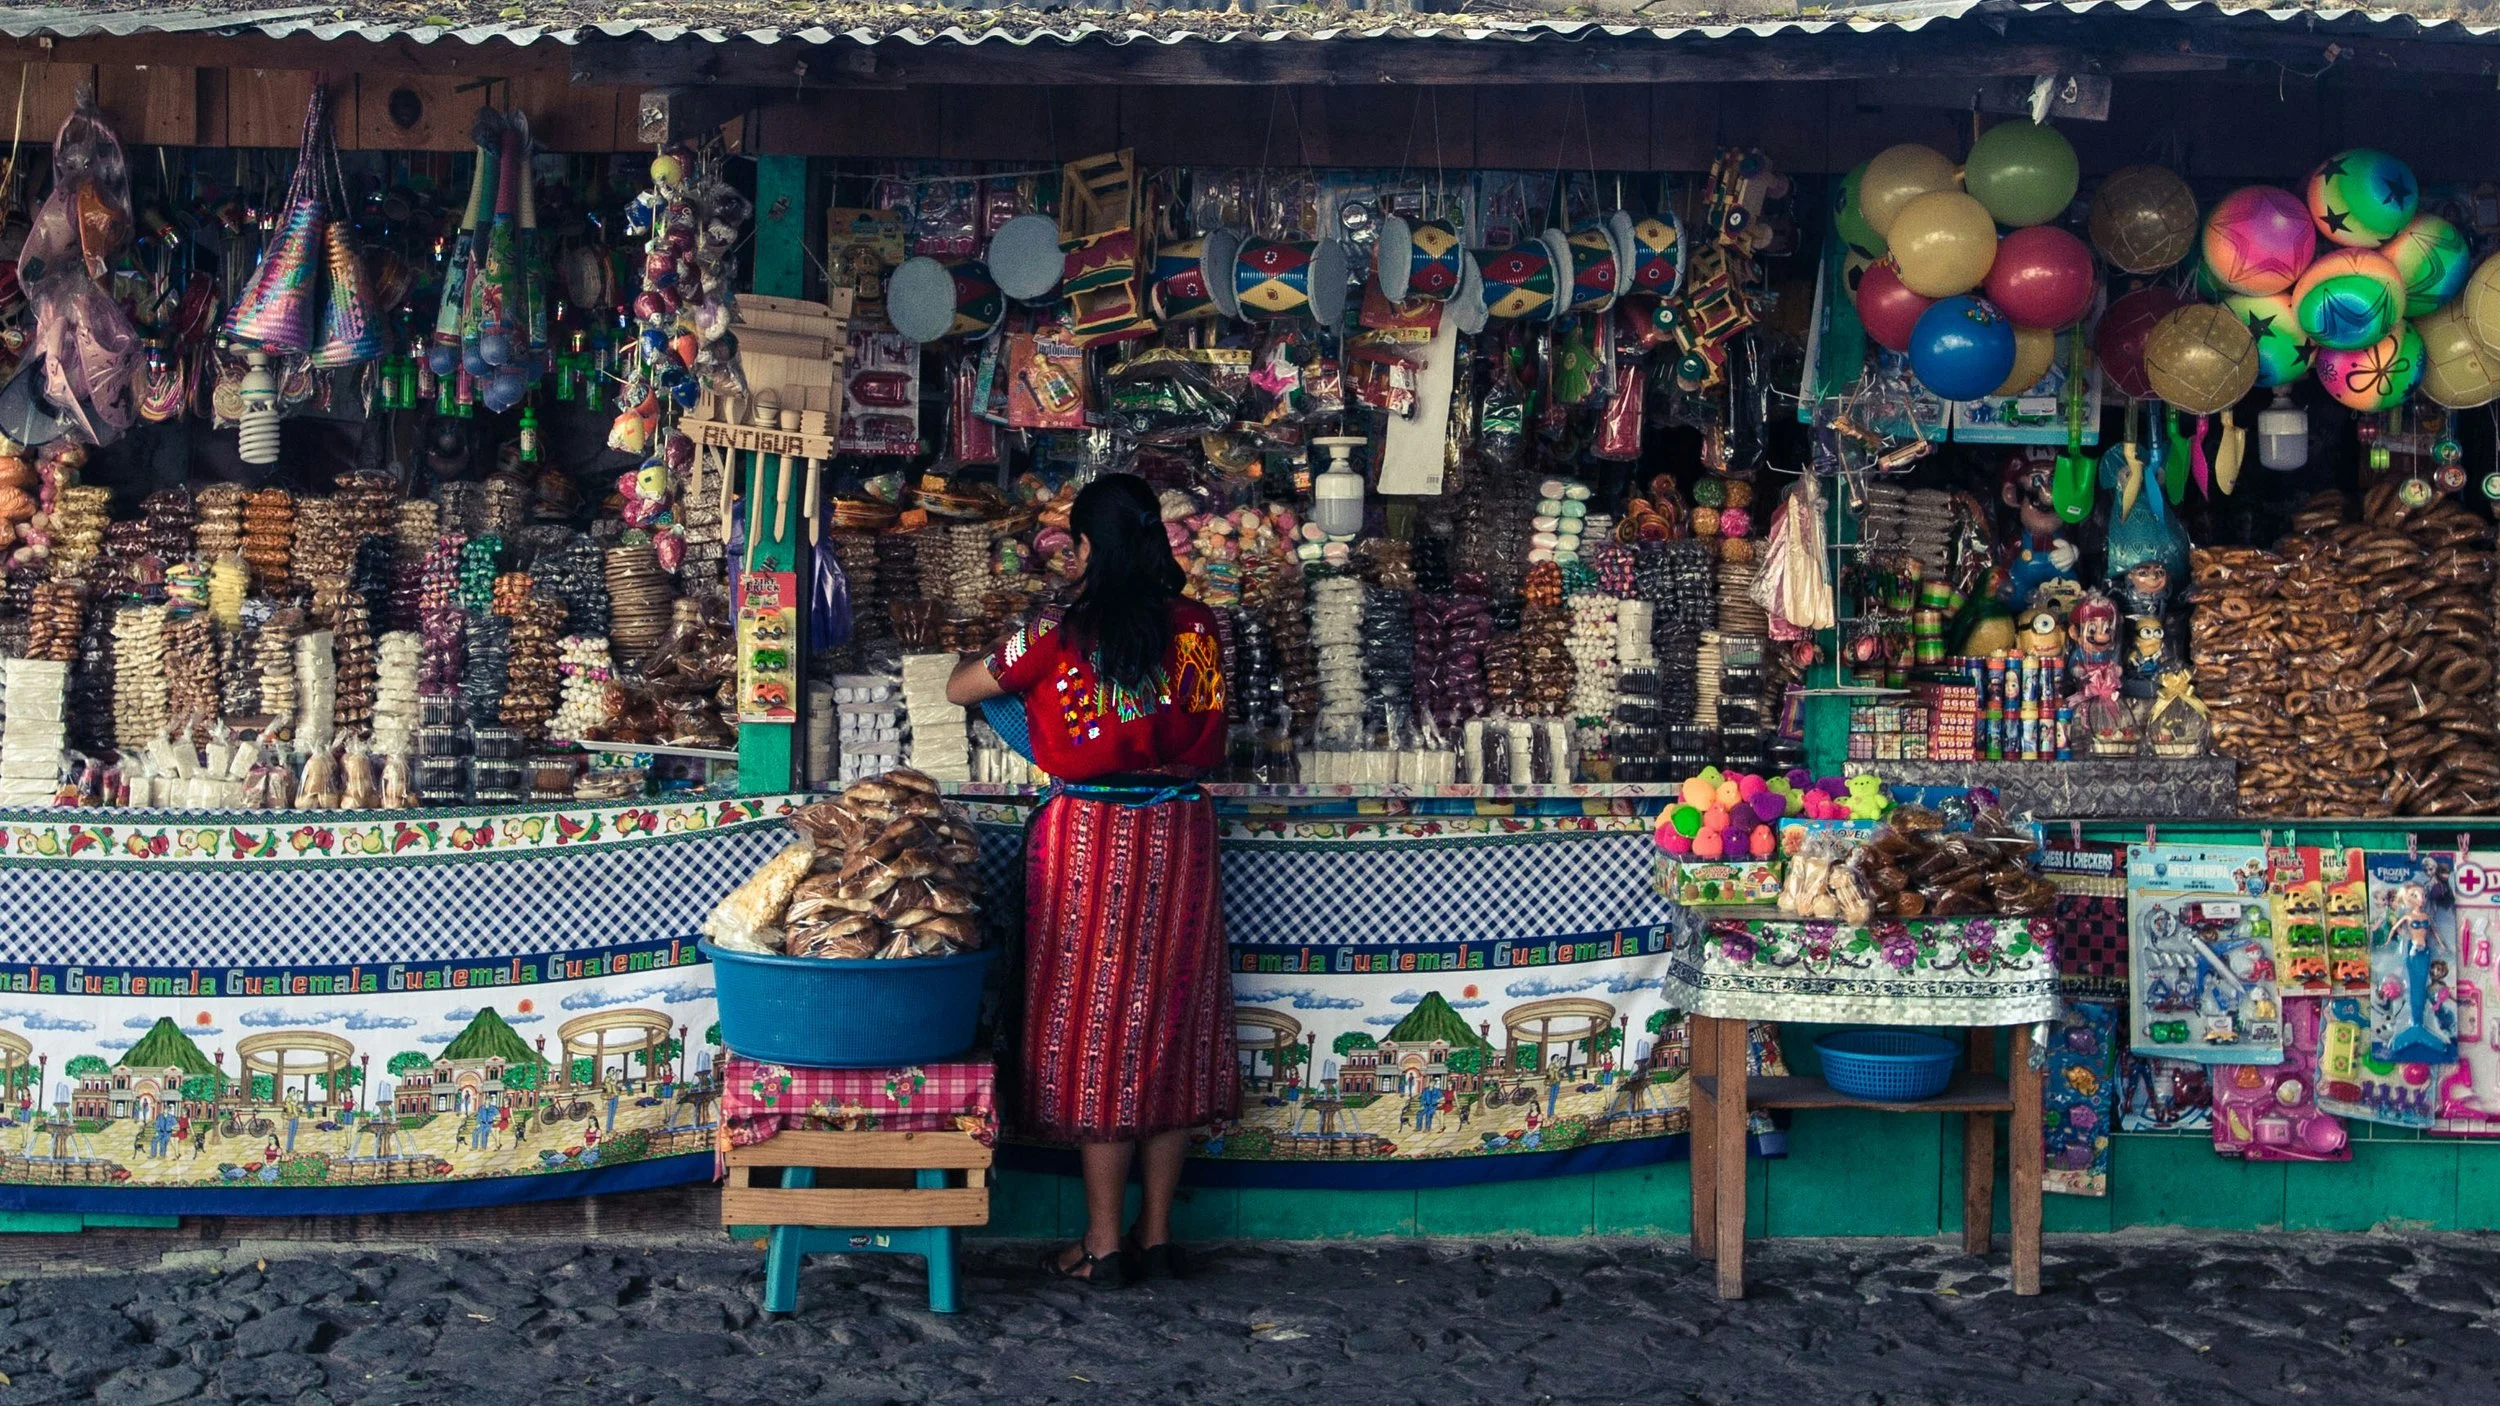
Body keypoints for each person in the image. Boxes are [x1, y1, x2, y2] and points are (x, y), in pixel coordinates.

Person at [947, 473, 1234, 1288]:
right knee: (1173, 1020)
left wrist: (1023, 690)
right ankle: (1157, 1234)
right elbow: (1211, 726)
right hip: (1179, 832)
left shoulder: (1056, 629)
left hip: (1093, 839)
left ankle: (1102, 1244)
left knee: (1098, 1026)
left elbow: (961, 688)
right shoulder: (1198, 628)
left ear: (1088, 546)